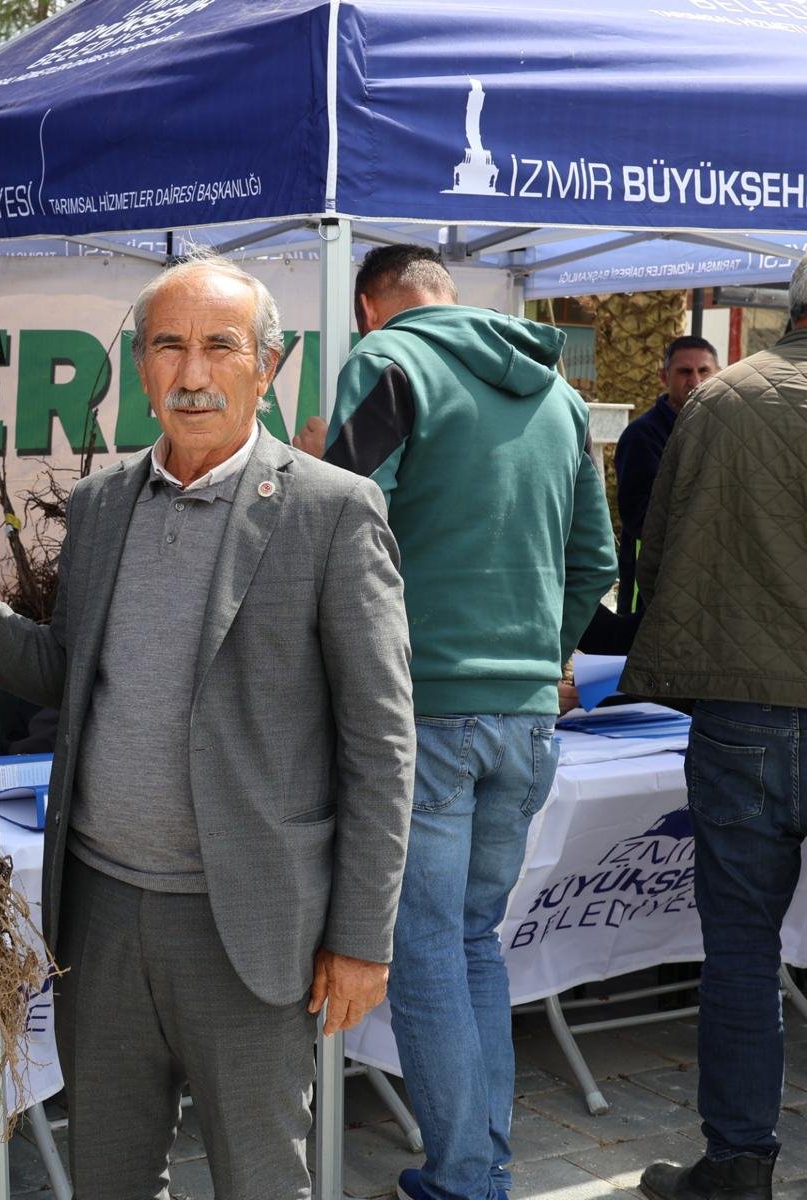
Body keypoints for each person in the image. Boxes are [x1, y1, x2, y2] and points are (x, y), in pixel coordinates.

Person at [0, 252, 416, 1199]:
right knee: (111, 1174)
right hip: (104, 914)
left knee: (260, 1179)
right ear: (143, 366)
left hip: (248, 924)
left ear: (268, 368)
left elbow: (381, 743)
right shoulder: (104, 503)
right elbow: (65, 673)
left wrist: (363, 938)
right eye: (169, 346)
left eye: (219, 347)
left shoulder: (332, 512)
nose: (193, 374)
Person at [302, 244, 617, 1200]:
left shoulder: (390, 360)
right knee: (471, 938)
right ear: (449, 292)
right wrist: (536, 664)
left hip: (423, 712)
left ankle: (469, 1176)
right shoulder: (559, 398)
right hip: (525, 719)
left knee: (433, 944)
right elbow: (597, 560)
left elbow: (347, 532)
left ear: (371, 307)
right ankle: (480, 1160)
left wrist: (317, 469)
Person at [625, 257, 807, 1200]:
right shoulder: (726, 397)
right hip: (746, 699)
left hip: (746, 710)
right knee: (741, 949)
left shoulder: (724, 400)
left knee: (741, 948)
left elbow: (661, 551)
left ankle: (740, 1166)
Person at [614, 335, 719, 614]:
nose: (695, 381)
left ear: (718, 374)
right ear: (664, 376)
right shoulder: (642, 436)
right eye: (684, 372)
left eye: (704, 371)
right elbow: (638, 516)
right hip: (650, 583)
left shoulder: (723, 431)